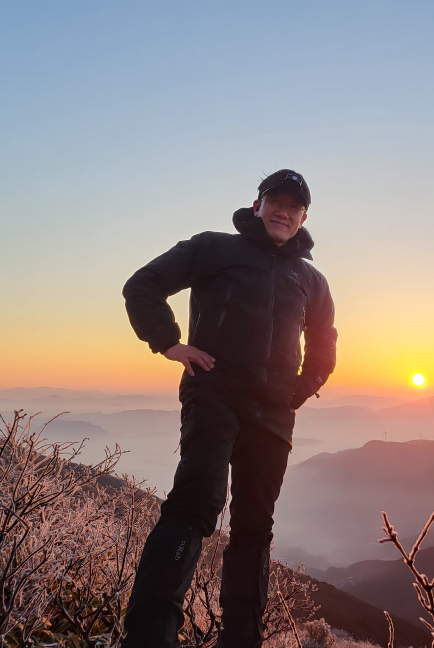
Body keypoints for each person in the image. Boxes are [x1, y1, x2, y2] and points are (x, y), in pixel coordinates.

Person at [120, 170, 337, 648]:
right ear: (257, 205)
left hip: (274, 414)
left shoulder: (311, 279)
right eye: (275, 202)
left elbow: (325, 342)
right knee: (196, 504)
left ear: (303, 219)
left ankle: (241, 638)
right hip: (214, 394)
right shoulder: (213, 248)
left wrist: (301, 388)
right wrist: (168, 342)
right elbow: (144, 284)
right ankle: (150, 635)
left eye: (294, 207)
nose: (283, 212)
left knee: (255, 526)